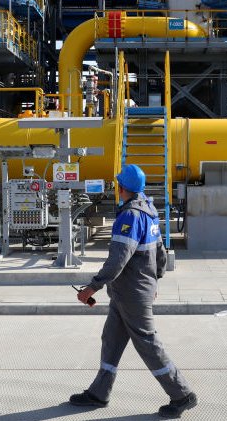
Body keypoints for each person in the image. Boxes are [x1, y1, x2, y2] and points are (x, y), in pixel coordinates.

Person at [69, 164, 197, 419]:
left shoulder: (130, 216)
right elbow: (160, 252)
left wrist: (92, 287)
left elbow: (118, 259)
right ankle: (99, 392)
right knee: (112, 339)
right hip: (130, 291)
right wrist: (155, 280)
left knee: (147, 343)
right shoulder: (149, 211)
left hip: (132, 292)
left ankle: (182, 394)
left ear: (121, 187)